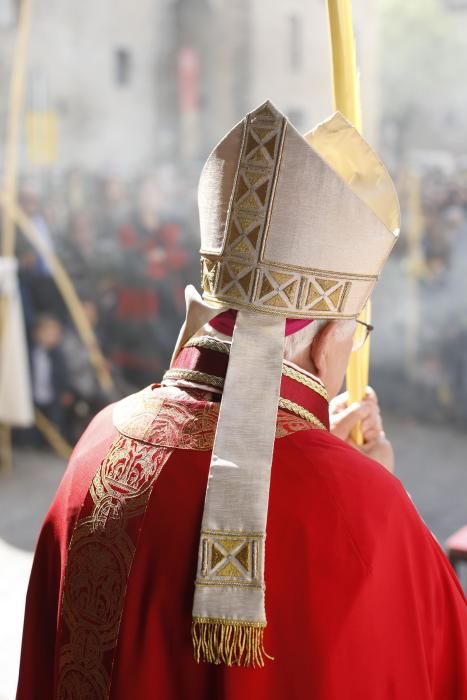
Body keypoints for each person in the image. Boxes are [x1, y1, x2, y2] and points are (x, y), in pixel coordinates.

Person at [16, 102, 466, 699]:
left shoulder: (100, 439)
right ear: (331, 338)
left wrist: (337, 465)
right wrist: (368, 488)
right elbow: (432, 656)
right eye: (356, 333)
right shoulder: (360, 505)